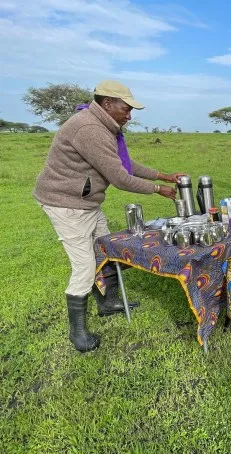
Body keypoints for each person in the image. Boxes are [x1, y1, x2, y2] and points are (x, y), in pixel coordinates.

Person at [33, 80, 184, 352]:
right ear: (107, 104)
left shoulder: (103, 127)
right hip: (66, 204)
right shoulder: (90, 128)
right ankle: (77, 333)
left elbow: (125, 163)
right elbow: (120, 177)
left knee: (107, 250)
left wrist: (163, 175)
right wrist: (159, 189)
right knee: (84, 266)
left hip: (86, 201)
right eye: (126, 109)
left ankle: (107, 302)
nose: (129, 116)